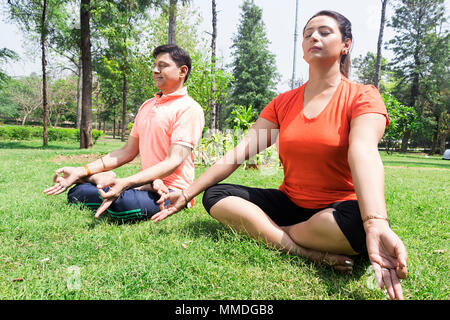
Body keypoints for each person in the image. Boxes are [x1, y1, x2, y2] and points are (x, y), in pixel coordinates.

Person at [152, 11, 408, 300]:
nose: (314, 36)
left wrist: (375, 222)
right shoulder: (283, 104)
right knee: (215, 195)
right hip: (291, 202)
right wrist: (187, 193)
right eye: (308, 32)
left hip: (337, 211)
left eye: (325, 32)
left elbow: (363, 152)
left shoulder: (362, 96)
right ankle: (300, 248)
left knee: (357, 227)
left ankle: (270, 231)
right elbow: (239, 153)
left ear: (346, 44)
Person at [43, 44, 205, 221]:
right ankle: (98, 180)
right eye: (155, 65)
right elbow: (127, 152)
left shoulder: (189, 109)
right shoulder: (147, 106)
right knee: (75, 192)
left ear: (182, 71)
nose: (155, 70)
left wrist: (127, 182)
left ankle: (101, 182)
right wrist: (81, 170)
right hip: (144, 184)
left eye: (162, 65)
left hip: (172, 191)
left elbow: (173, 161)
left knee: (120, 205)